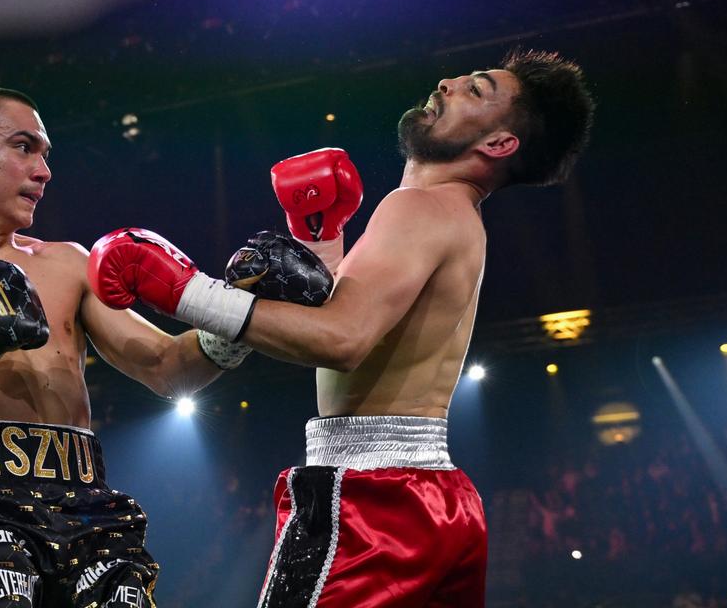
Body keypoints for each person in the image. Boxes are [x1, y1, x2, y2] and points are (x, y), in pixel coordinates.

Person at [88, 49, 595, 607]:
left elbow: (343, 340)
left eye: (476, 91)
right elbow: (359, 326)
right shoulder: (455, 217)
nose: (447, 82)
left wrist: (186, 292)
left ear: (498, 145)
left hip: (372, 497)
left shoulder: (419, 208)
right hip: (436, 499)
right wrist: (321, 237)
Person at [0, 87, 256, 608]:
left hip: (89, 511)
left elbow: (170, 368)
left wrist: (237, 316)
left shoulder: (69, 264)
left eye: (45, 154)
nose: (43, 171)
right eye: (23, 147)